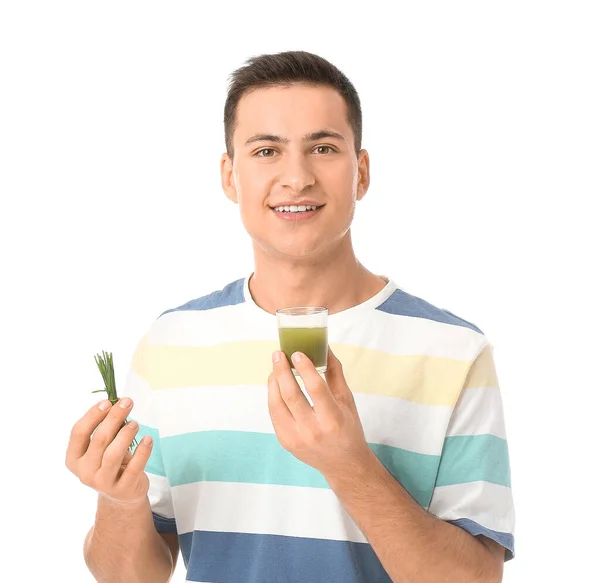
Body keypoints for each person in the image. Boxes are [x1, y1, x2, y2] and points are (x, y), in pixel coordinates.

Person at [66, 50, 515, 583]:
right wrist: (119, 502)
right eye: (266, 151)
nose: (296, 177)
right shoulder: (172, 343)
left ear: (362, 172)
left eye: (323, 148)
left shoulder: (454, 351)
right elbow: (132, 576)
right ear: (230, 176)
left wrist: (350, 465)